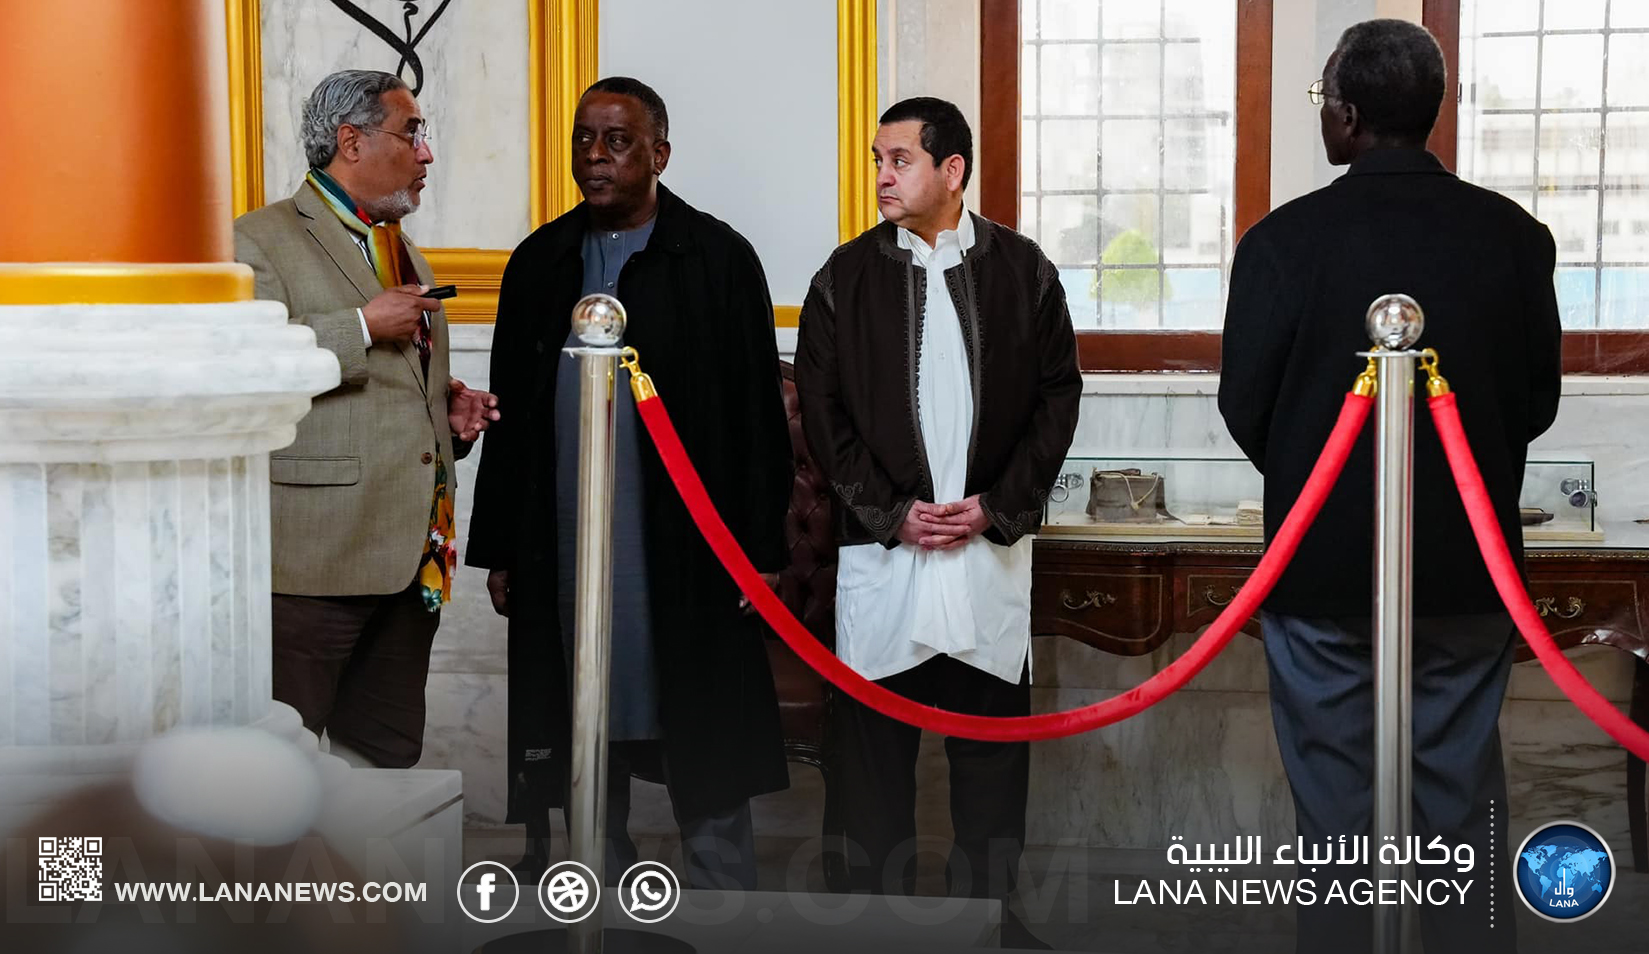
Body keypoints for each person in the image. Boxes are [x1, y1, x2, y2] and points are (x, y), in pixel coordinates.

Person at [1218, 20, 1560, 954]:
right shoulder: (1513, 237)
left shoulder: (1281, 241)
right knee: (1458, 810)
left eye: (1321, 99)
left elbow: (1245, 406)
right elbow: (1534, 402)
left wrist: (1317, 476)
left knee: (1334, 815)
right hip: (1467, 564)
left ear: (1348, 115)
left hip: (1319, 566)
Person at [466, 77, 792, 889]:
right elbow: (510, 417)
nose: (595, 157)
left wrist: (757, 553)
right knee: (574, 712)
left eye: (616, 141)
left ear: (659, 154)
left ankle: (721, 906)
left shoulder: (717, 258)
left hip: (683, 553)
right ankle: (597, 891)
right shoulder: (540, 261)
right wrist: (500, 548)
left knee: (700, 726)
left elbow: (757, 418)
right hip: (562, 546)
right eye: (584, 139)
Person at [793, 97, 1080, 946]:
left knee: (990, 766)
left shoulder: (1023, 271)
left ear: (951, 170)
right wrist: (891, 514)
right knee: (870, 766)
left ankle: (988, 925)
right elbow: (821, 413)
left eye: (900, 160)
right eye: (877, 160)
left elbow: (1058, 395)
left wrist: (997, 506)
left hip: (986, 560)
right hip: (885, 561)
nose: (882, 176)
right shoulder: (842, 278)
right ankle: (871, 929)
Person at [234, 69, 498, 769]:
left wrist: (447, 409)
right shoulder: (256, 240)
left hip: (410, 563)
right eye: (413, 133)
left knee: (384, 760)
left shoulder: (401, 247)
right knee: (275, 768)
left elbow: (392, 384)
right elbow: (244, 367)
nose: (426, 153)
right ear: (351, 142)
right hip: (312, 563)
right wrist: (359, 325)